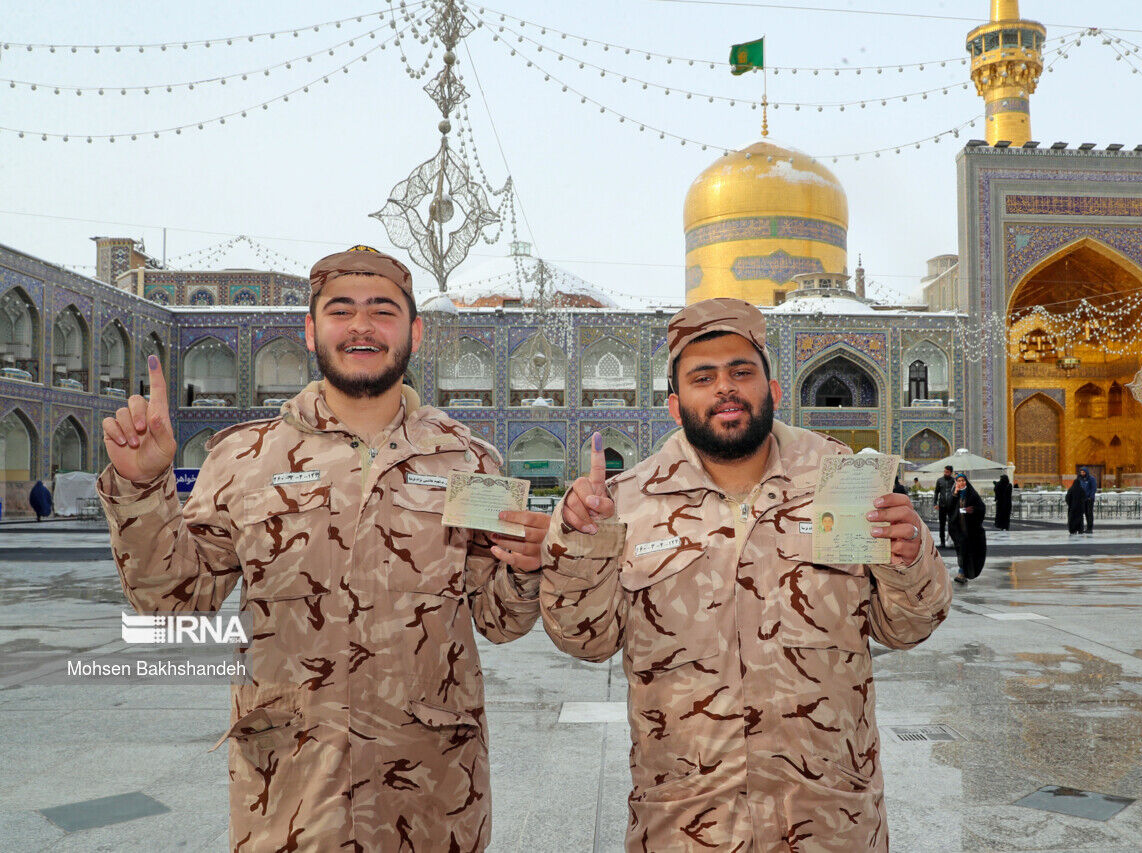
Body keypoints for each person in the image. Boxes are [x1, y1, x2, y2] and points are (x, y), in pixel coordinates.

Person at [97, 246, 549, 850]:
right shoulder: (243, 457)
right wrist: (141, 489)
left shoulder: (469, 459)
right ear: (311, 331)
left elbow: (499, 619)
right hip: (290, 793)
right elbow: (172, 605)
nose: (362, 326)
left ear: (415, 331)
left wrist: (528, 569)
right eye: (342, 311)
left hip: (431, 791)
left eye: (382, 311)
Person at [539, 298, 951, 851]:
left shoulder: (843, 482)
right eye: (702, 377)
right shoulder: (626, 502)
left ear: (774, 390)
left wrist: (909, 555)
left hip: (829, 820)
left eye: (741, 371)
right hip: (687, 823)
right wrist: (580, 544)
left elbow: (905, 627)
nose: (724, 388)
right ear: (674, 405)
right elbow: (584, 640)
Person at [949, 474, 987, 584]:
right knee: (960, 551)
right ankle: (962, 572)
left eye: (963, 480)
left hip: (970, 530)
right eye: (959, 481)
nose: (961, 483)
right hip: (958, 529)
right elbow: (949, 508)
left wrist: (973, 510)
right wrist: (955, 493)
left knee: (967, 552)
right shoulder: (955, 494)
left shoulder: (972, 494)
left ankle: (962, 573)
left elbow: (981, 508)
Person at [933, 464, 956, 548]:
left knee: (951, 524)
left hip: (951, 506)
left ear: (950, 472)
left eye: (947, 472)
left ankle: (951, 541)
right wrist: (935, 503)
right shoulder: (939, 481)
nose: (945, 473)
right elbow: (936, 492)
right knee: (942, 524)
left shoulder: (954, 481)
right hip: (942, 505)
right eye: (945, 471)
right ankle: (942, 542)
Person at [1079, 467, 1098, 533]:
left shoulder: (1091, 479)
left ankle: (1090, 528)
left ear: (1086, 472)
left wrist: (1091, 497)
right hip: (1083, 499)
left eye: (1083, 472)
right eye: (1081, 472)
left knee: (1089, 513)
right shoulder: (1081, 479)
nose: (1082, 473)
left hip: (1089, 499)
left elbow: (1093, 488)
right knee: (1084, 513)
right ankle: (1085, 528)